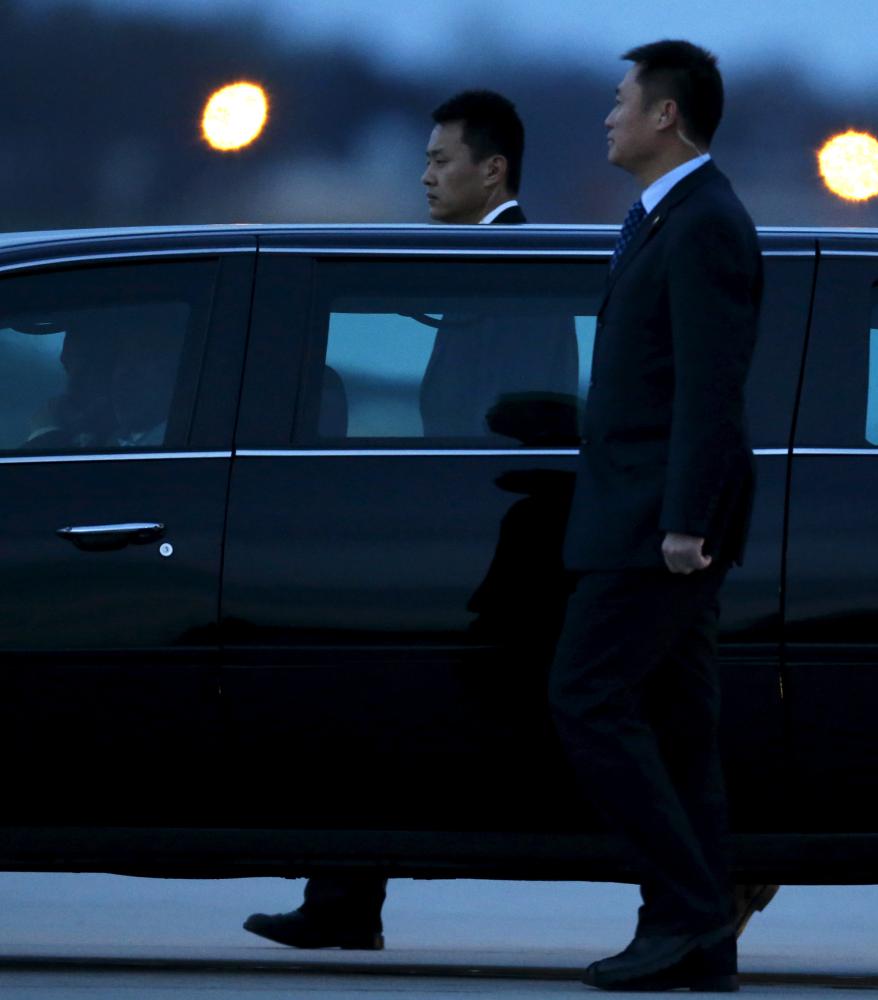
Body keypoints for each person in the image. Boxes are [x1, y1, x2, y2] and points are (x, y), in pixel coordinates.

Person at [242, 88, 531, 953]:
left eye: (442, 161)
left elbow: (506, 414)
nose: (425, 177)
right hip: (473, 531)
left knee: (379, 702)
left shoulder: (516, 264)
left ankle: (343, 895)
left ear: (493, 169)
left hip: (484, 536)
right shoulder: (486, 262)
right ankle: (343, 895)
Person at [546, 40, 762, 992]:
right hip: (640, 511)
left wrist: (685, 520)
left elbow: (711, 387)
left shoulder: (704, 221)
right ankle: (701, 945)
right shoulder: (664, 217)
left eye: (620, 100)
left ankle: (684, 911)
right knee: (679, 730)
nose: (608, 115)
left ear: (665, 115)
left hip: (658, 526)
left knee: (585, 698)